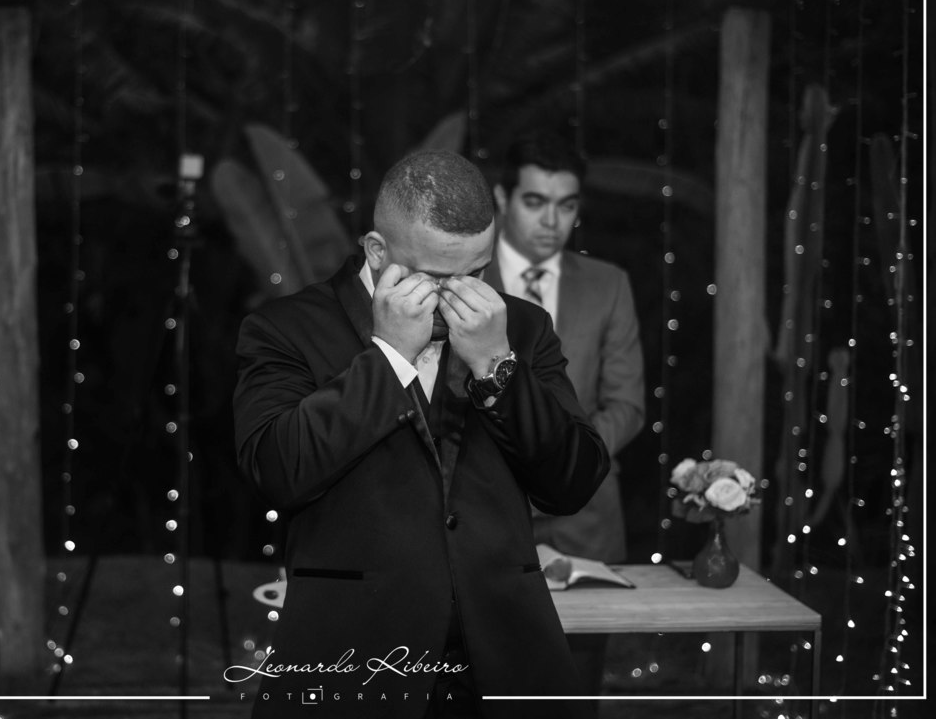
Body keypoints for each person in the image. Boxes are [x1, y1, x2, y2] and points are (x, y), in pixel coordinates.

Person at [233, 149, 609, 719]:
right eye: (434, 277)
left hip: (504, 666)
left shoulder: (521, 328)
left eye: (475, 273)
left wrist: (498, 368)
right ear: (376, 251)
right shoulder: (285, 328)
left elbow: (573, 482)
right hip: (352, 665)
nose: (457, 295)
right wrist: (388, 358)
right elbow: (276, 470)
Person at [487, 134, 646, 701]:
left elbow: (627, 405)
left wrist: (561, 462)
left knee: (574, 694)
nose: (552, 221)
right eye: (535, 202)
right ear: (503, 198)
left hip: (586, 519)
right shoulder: (465, 278)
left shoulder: (608, 283)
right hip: (485, 513)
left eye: (567, 204)